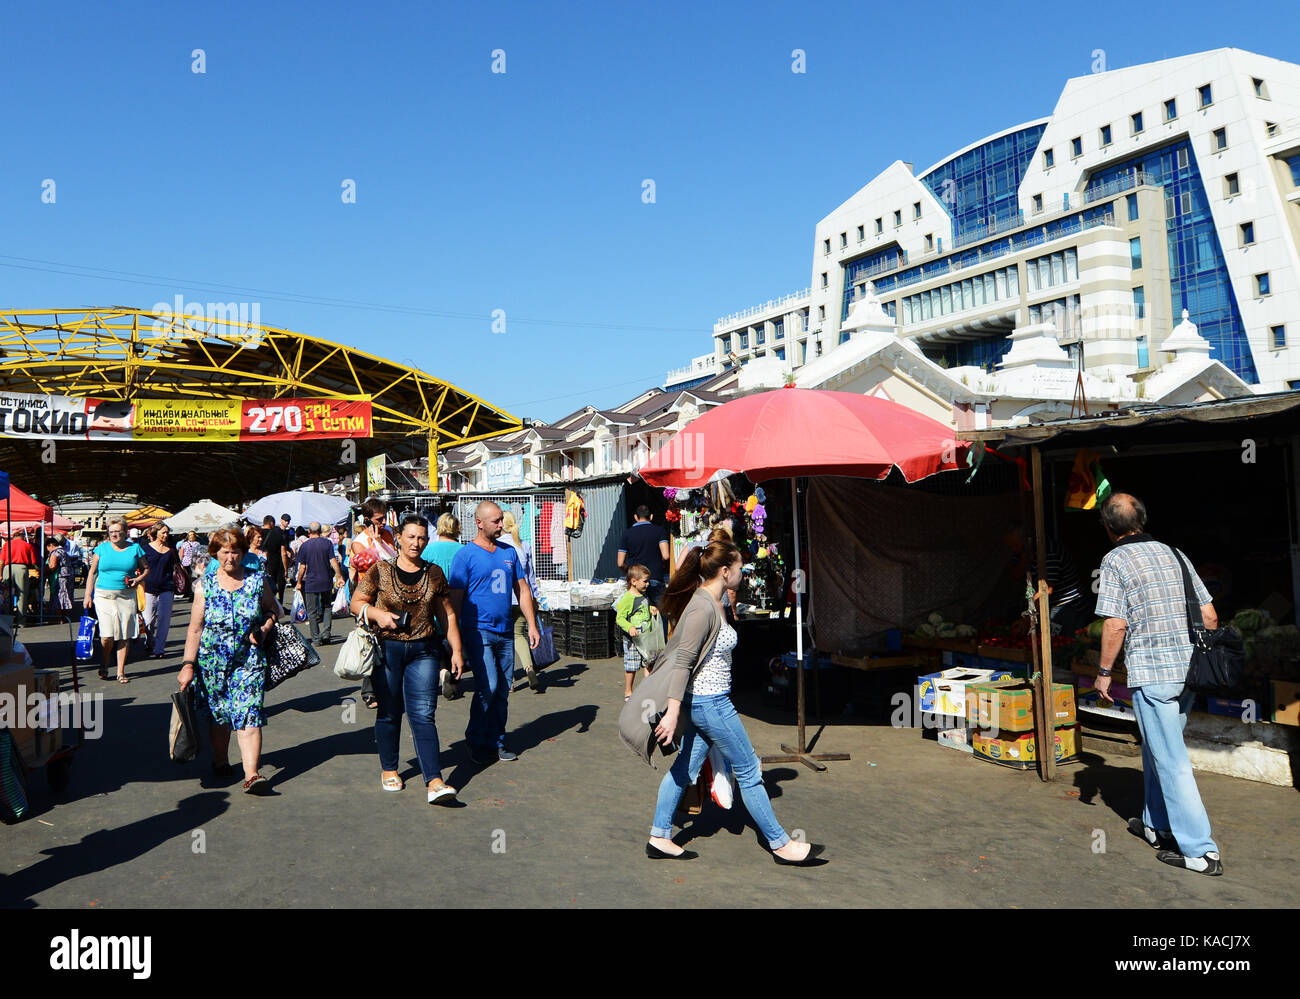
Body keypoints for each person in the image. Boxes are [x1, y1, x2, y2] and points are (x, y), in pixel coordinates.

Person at [646, 538, 824, 866]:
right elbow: (683, 660)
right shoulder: (702, 606)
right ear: (725, 572)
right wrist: (672, 713)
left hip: (706, 703)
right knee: (749, 769)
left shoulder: (714, 601)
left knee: (685, 768)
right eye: (740, 567)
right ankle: (781, 844)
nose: (744, 572)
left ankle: (659, 835)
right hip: (711, 704)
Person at [1094, 493, 1222, 876]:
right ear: (1143, 520)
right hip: (1186, 673)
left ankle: (1200, 851)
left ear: (1108, 527)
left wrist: (1103, 672)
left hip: (1152, 674)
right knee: (1157, 750)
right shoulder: (1175, 553)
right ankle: (1157, 826)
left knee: (1170, 759)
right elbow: (1210, 615)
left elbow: (1115, 623)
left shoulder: (1115, 559)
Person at [351, 514, 465, 804]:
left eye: (422, 538)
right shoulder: (380, 570)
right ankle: (389, 768)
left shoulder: (435, 573)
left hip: (424, 650)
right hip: (387, 649)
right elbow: (356, 602)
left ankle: (435, 781)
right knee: (389, 711)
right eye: (411, 537)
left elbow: (447, 614)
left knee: (424, 713)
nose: (416, 543)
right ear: (398, 538)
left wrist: (457, 651)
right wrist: (377, 614)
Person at [179, 527, 279, 793]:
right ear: (215, 554)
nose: (230, 558)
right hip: (213, 662)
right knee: (220, 715)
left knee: (249, 713)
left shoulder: (258, 580)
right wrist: (188, 664)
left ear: (244, 554)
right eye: (225, 552)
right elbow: (195, 628)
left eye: (235, 552)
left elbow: (272, 610)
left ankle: (251, 774)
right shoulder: (206, 585)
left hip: (250, 659)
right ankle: (221, 760)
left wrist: (265, 628)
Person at [449, 501, 539, 764]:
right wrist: (454, 638)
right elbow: (455, 598)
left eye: (502, 519)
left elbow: (522, 590)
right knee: (487, 686)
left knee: (502, 689)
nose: (502, 525)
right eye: (496, 521)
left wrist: (532, 624)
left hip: (505, 631)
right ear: (479, 523)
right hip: (478, 632)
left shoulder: (509, 552)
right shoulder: (465, 556)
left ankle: (497, 739)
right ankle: (476, 739)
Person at [83, 519, 148, 683]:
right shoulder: (101, 549)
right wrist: (87, 596)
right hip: (104, 596)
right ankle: (105, 662)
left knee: (124, 635)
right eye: (111, 531)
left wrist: (138, 579)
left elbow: (146, 569)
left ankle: (120, 672)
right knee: (107, 635)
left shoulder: (135, 548)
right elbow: (92, 573)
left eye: (118, 531)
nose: (114, 534)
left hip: (127, 596)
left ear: (126, 532)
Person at [351, 499, 397, 710]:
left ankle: (389, 686)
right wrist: (376, 543)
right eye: (379, 519)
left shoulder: (386, 534)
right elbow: (377, 565)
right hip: (368, 599)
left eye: (384, 517)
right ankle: (368, 690)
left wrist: (381, 540)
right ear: (368, 519)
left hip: (390, 596)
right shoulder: (359, 541)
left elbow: (395, 560)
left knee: (389, 642)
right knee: (370, 643)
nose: (383, 522)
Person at [499, 510, 544, 692]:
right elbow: (531, 575)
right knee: (518, 635)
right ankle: (529, 668)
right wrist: (534, 597)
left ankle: (508, 681)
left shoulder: (497, 545)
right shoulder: (523, 544)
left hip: (502, 598)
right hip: (523, 599)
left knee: (503, 639)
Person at [421, 513, 464, 699]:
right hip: (458, 602)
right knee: (454, 639)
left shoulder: (429, 550)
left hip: (434, 602)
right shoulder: (463, 550)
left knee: (436, 640)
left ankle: (442, 670)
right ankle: (454, 675)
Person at [294, 521, 346, 646]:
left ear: (309, 532)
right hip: (326, 580)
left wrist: (299, 582)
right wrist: (339, 576)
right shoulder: (327, 543)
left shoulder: (305, 546)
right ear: (320, 531)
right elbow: (333, 561)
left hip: (311, 582)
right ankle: (326, 634)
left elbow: (302, 567)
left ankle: (316, 639)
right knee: (327, 607)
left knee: (312, 612)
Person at [615, 564, 659, 702]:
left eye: (648, 581)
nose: (647, 584)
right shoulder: (627, 599)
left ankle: (648, 689)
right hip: (633, 638)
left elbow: (643, 608)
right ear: (634, 581)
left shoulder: (644, 595)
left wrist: (651, 608)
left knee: (649, 662)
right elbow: (620, 618)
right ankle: (628, 690)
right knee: (632, 665)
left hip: (646, 635)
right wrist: (629, 627)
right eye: (645, 581)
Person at [618, 505, 671, 607]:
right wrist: (662, 565)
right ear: (651, 517)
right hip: (656, 577)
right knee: (662, 614)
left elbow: (620, 563)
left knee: (638, 614)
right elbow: (666, 556)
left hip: (636, 582)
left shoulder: (627, 534)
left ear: (635, 517)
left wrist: (630, 572)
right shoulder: (659, 531)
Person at [142, 523, 180, 659]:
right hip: (149, 588)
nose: (165, 535)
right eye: (163, 532)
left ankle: (159, 649)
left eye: (167, 532)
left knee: (164, 620)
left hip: (167, 588)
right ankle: (149, 641)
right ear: (156, 533)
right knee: (148, 620)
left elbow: (177, 566)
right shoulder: (145, 548)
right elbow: (140, 566)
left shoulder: (171, 550)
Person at [1, 529, 39, 621]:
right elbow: (33, 562)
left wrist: (0, 574)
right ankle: (21, 621)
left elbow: (1, 561)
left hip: (7, 568)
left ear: (13, 537)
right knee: (22, 595)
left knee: (6, 594)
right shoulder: (28, 545)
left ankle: (6, 619)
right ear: (23, 537)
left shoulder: (6, 545)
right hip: (22, 569)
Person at [260, 514, 291, 609]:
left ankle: (264, 606)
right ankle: (278, 606)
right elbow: (283, 553)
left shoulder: (258, 533)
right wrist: (286, 569)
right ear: (272, 523)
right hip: (277, 564)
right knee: (279, 586)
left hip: (262, 564)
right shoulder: (278, 533)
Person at [45, 539, 75, 622]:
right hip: (69, 574)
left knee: (60, 595)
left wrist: (43, 570)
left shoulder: (55, 553)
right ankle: (66, 616)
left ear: (51, 545)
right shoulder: (63, 551)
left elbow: (52, 566)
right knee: (67, 594)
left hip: (61, 576)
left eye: (47, 547)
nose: (47, 549)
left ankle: (59, 617)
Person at [178, 530, 203, 597]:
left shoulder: (184, 544)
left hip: (186, 563)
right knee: (193, 578)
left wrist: (180, 562)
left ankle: (188, 592)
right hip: (194, 563)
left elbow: (181, 554)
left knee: (187, 578)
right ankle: (191, 592)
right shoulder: (197, 544)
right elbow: (199, 554)